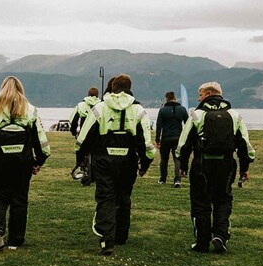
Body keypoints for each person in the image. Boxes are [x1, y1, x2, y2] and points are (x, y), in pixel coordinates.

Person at [75, 74, 155, 255]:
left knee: (106, 197)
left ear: (113, 87)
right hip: (128, 161)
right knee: (124, 197)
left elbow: (83, 138)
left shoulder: (100, 108)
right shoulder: (139, 110)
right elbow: (146, 143)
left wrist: (80, 159)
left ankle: (106, 239)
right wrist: (145, 164)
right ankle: (121, 235)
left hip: (103, 161)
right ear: (129, 87)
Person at [177, 82, 255, 254]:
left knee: (200, 202)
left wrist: (182, 165)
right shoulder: (234, 115)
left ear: (209, 94)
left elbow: (184, 143)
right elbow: (245, 145)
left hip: (202, 165)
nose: (198, 98)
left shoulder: (197, 114)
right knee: (223, 200)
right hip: (226, 165)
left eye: (200, 94)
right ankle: (220, 235)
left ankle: (202, 241)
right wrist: (245, 168)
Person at [0, 76, 51, 250]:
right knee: (19, 199)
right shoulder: (30, 110)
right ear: (21, 89)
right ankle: (16, 241)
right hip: (23, 162)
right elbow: (41, 141)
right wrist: (38, 161)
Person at [155, 91, 188, 187]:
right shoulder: (182, 109)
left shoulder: (162, 110)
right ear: (175, 98)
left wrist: (157, 140)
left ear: (166, 99)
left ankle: (163, 179)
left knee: (164, 159)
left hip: (166, 138)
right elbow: (187, 124)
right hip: (178, 138)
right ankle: (177, 180)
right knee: (177, 158)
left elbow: (158, 126)